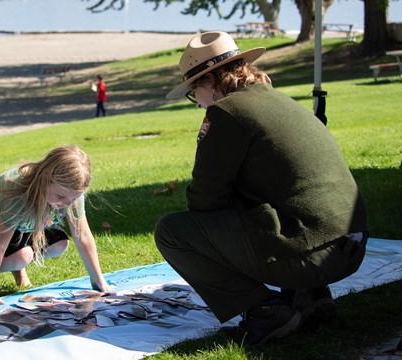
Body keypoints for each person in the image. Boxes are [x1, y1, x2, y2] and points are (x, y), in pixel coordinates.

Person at [154, 31, 368, 345]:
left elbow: (204, 200)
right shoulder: (280, 101)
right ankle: (309, 297)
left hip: (311, 255)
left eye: (193, 91)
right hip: (351, 246)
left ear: (211, 81)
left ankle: (266, 312)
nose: (197, 103)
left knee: (172, 233)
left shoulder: (227, 112)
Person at [0, 145, 110, 309]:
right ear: (45, 180)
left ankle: (17, 268)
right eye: (61, 196)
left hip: (22, 223)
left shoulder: (70, 195)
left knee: (60, 244)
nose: (67, 204)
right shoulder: (19, 195)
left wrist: (99, 282)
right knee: (23, 256)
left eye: (74, 198)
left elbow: (83, 237)